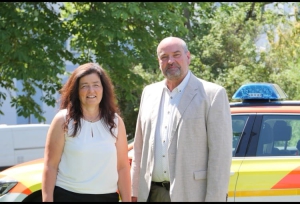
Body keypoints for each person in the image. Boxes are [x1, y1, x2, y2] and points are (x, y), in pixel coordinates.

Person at [130, 37, 232, 202]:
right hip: (151, 194)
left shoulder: (212, 95)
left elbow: (220, 157)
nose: (170, 61)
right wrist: (134, 192)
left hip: (192, 195)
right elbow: (139, 148)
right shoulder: (149, 93)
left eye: (176, 55)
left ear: (188, 57)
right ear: (159, 61)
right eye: (164, 57)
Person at [42, 62, 131, 202]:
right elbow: (50, 165)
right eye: (84, 86)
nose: (91, 91)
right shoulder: (63, 120)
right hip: (68, 196)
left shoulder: (116, 122)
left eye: (96, 84)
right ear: (76, 91)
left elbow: (123, 167)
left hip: (107, 197)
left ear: (103, 89)